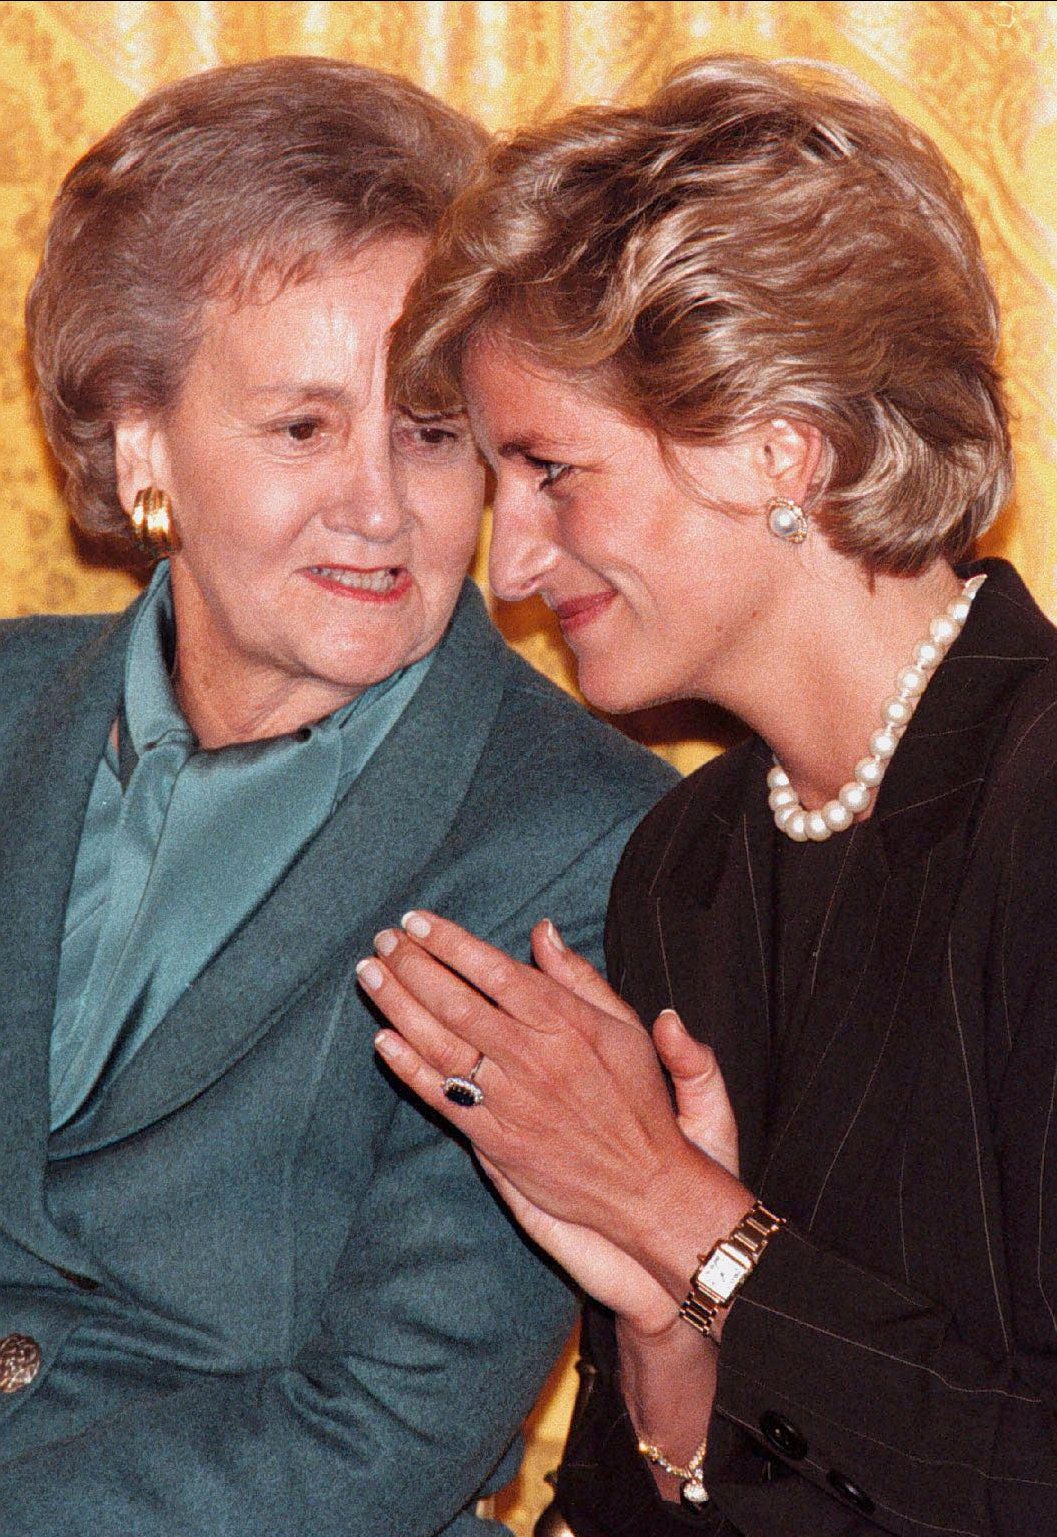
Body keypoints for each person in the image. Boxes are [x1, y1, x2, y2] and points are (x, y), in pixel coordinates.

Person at [360, 54, 1057, 1536]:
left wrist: (678, 1215)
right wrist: (665, 1341)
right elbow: (645, 1501)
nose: (512, 570)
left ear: (776, 441)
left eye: (550, 469)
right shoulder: (686, 862)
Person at [0, 56, 675, 1536]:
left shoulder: (576, 837)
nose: (378, 504)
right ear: (139, 436)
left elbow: (384, 1430)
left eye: (431, 433)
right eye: (302, 428)